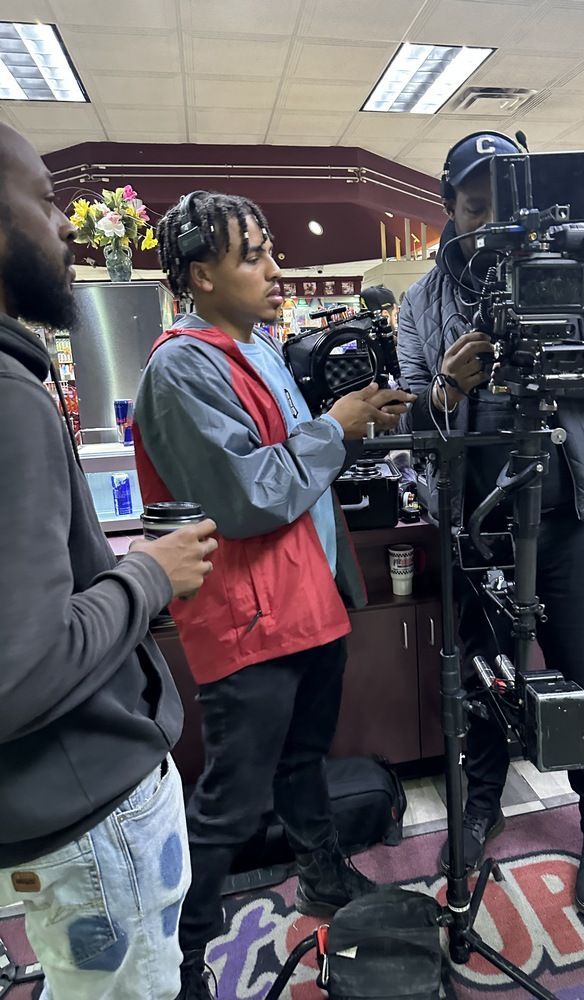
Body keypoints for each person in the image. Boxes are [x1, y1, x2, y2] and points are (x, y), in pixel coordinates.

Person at [133, 190, 415, 999]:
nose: (273, 267)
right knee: (230, 796)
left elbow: (303, 460)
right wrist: (336, 427)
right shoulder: (182, 365)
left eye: (267, 248)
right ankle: (180, 961)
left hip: (307, 603)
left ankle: (323, 877)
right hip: (250, 616)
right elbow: (250, 492)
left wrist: (360, 421)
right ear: (199, 275)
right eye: (251, 254)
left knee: (302, 762)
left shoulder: (256, 347)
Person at [397, 131, 584, 918]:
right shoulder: (422, 302)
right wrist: (448, 384)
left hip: (566, 510)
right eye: (475, 210)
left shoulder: (583, 266)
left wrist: (557, 362)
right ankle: (480, 804)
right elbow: (412, 413)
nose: (494, 227)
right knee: (475, 679)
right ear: (447, 208)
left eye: (504, 209)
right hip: (474, 524)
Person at [0, 123, 218, 1000]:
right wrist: (147, 574)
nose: (65, 228)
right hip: (89, 807)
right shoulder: (11, 398)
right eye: (45, 202)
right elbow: (23, 668)